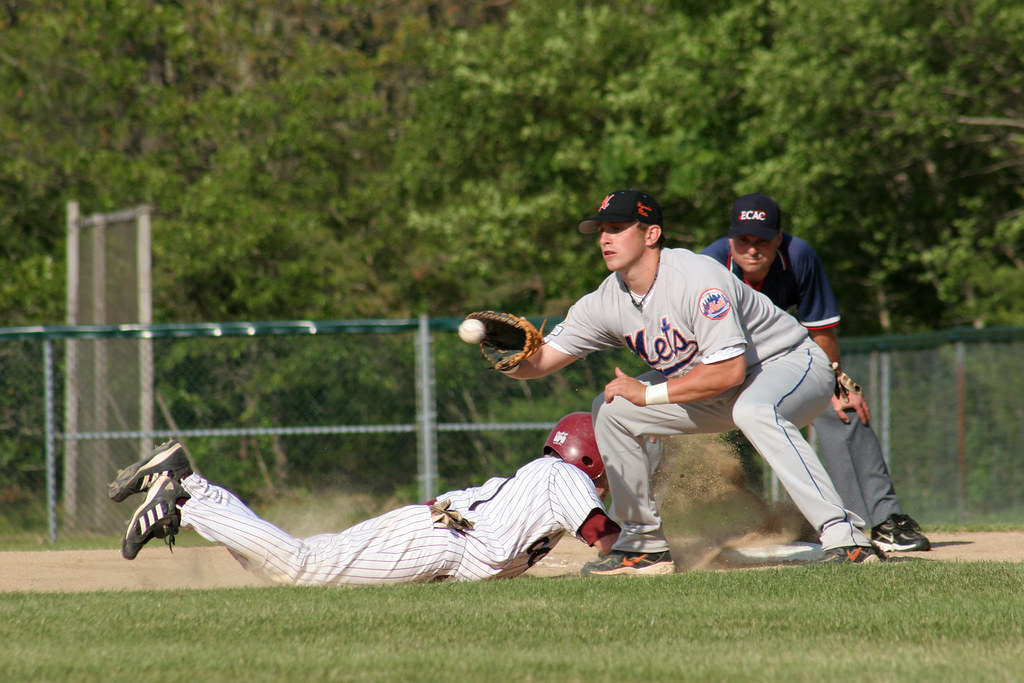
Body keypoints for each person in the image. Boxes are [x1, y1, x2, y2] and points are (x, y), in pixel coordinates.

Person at [489, 188, 882, 573]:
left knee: (753, 408)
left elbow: (728, 371)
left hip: (789, 365)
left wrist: (649, 393)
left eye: (619, 227)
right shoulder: (606, 301)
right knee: (611, 409)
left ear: (651, 233)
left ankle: (845, 538)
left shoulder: (696, 279)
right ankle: (643, 543)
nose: (606, 238)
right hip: (720, 388)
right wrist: (507, 357)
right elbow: (540, 361)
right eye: (602, 230)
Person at [107, 412, 621, 585]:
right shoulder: (565, 475)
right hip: (443, 542)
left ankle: (192, 490)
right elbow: (602, 537)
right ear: (590, 458)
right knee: (302, 567)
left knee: (288, 566)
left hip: (437, 532)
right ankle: (187, 495)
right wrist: (642, 553)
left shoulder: (540, 477)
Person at [701, 193, 930, 552]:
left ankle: (881, 521)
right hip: (719, 369)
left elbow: (821, 332)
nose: (752, 249)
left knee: (843, 408)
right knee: (650, 416)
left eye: (761, 239)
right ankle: (646, 534)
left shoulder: (798, 257)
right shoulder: (708, 267)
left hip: (783, 365)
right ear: (731, 239)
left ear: (778, 237)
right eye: (743, 239)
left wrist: (838, 383)